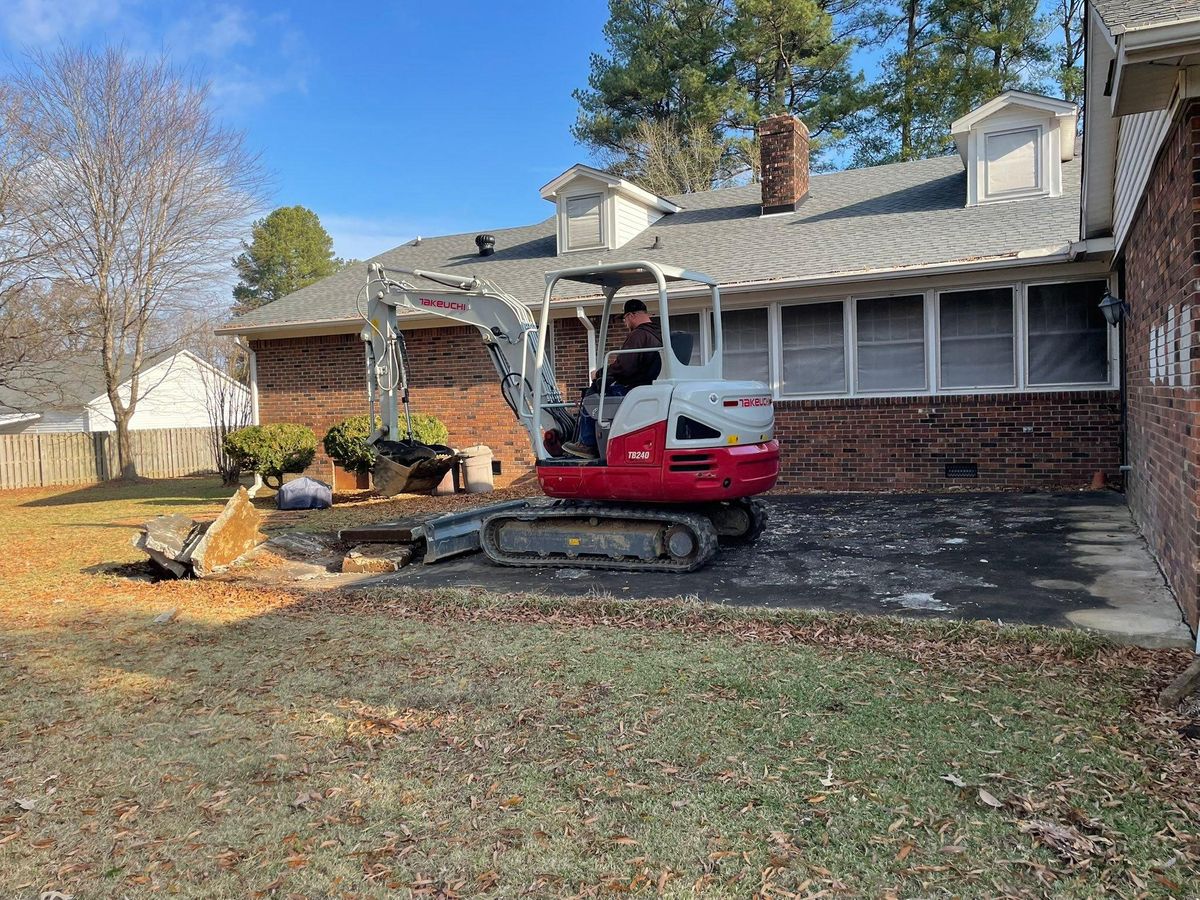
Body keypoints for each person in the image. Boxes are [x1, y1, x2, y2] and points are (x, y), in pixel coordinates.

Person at [562, 298, 662, 459]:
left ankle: (587, 444)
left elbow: (624, 367)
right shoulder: (657, 334)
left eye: (624, 319)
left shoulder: (638, 336)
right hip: (645, 386)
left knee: (592, 395)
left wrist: (599, 373)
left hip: (631, 388)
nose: (625, 323)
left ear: (631, 315)